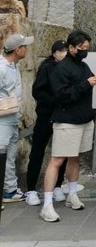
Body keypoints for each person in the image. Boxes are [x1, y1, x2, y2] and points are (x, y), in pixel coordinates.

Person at [40, 29, 96, 222]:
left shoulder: (82, 65)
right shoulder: (61, 68)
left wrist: (92, 81)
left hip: (84, 119)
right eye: (81, 47)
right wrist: (87, 84)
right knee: (57, 160)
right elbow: (62, 95)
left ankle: (72, 194)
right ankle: (47, 204)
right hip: (66, 121)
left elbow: (86, 82)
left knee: (75, 158)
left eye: (86, 47)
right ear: (71, 47)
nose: (85, 50)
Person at [25, 40, 68, 206]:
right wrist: (54, 101)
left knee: (62, 151)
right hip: (45, 116)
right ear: (54, 52)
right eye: (60, 50)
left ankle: (57, 185)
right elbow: (37, 91)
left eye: (65, 49)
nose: (63, 53)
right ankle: (31, 189)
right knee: (38, 151)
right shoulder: (47, 67)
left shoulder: (68, 67)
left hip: (62, 116)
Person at [0, 33, 34, 203]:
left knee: (9, 156)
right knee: (2, 155)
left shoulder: (14, 66)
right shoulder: (2, 67)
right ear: (18, 50)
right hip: (2, 120)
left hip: (12, 118)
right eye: (24, 46)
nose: (27, 49)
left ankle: (10, 190)